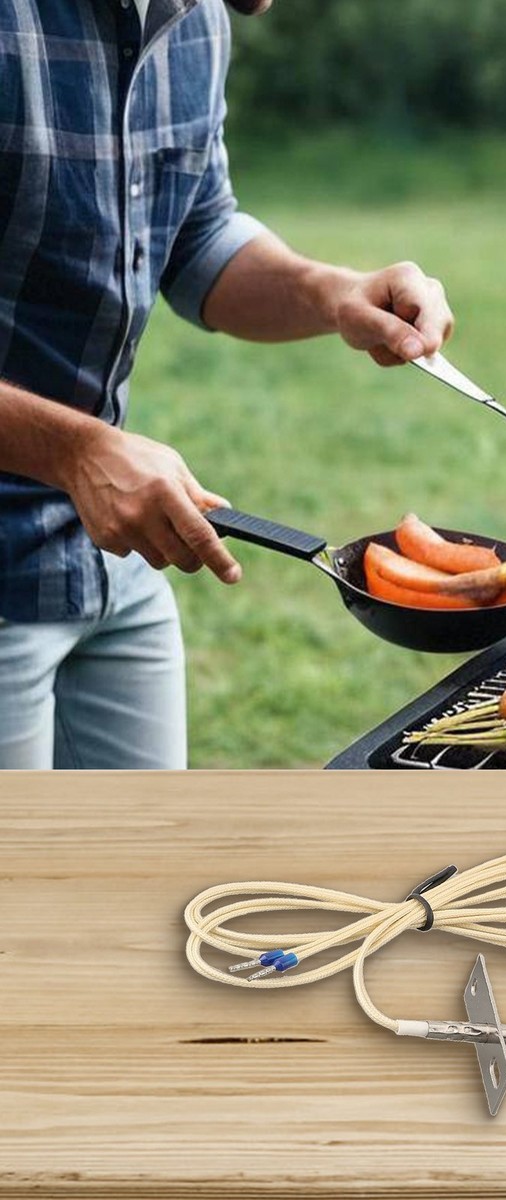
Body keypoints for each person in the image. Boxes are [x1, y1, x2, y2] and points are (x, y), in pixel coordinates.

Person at [0, 0, 454, 769]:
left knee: (149, 876)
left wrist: (330, 293)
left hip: (109, 559)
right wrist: (75, 451)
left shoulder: (197, 18)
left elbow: (197, 235)